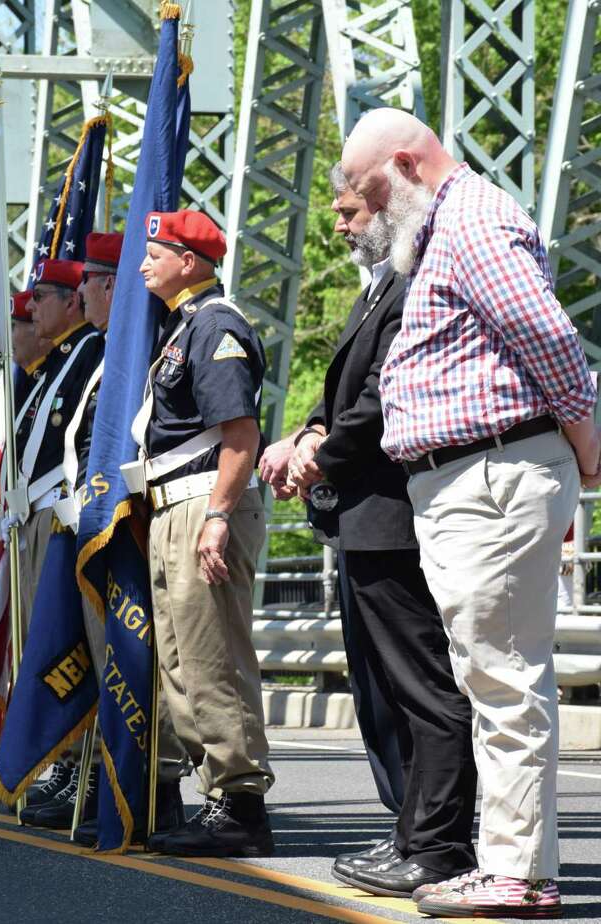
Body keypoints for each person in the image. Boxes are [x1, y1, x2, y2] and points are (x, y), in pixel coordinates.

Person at [341, 107, 601, 918]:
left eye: (373, 188)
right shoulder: (442, 226)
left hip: (490, 474)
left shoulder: (474, 218)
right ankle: (507, 864)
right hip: (467, 479)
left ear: (412, 162)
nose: (371, 208)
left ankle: (518, 875)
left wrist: (587, 445)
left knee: (503, 678)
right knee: (491, 679)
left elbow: (545, 334)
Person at [279, 165, 477, 896]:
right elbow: (343, 397)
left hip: (392, 518)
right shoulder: (378, 289)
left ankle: (438, 843)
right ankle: (409, 830)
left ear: (387, 206)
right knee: (381, 692)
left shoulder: (411, 284)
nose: (337, 224)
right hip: (362, 519)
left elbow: (380, 399)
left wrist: (316, 456)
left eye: (348, 211)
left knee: (420, 688)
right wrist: (307, 432)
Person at [134, 210, 275, 858]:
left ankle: (241, 802)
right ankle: (217, 795)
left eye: (154, 252)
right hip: (175, 505)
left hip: (202, 504)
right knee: (180, 660)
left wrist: (218, 516)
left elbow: (239, 437)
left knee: (212, 656)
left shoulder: (215, 324)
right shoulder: (181, 327)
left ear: (189, 261)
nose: (143, 264)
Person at [60, 232, 192, 847]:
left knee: (144, 655)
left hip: (134, 517)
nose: (81, 289)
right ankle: (114, 780)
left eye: (88, 279)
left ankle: (153, 785)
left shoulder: (143, 345)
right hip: (97, 517)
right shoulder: (108, 351)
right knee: (109, 652)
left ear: (108, 286)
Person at [11, 258, 106, 829]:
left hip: (65, 511)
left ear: (73, 299)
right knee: (47, 644)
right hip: (40, 513)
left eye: (42, 296)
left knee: (72, 642)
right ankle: (65, 763)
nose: (32, 309)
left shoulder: (89, 354)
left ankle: (81, 766)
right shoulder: (54, 366)